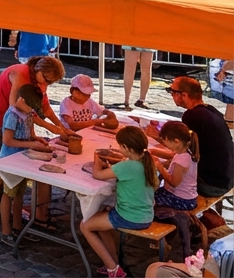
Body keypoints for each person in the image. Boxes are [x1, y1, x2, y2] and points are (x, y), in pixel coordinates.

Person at [82, 126, 158, 278]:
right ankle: (113, 262)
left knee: (85, 226)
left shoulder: (127, 166)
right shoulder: (147, 162)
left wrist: (97, 159)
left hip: (129, 216)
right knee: (100, 219)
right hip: (146, 215)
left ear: (126, 147)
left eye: (119, 146)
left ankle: (112, 268)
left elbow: (97, 174)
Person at [0, 55, 74, 165]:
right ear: (39, 70)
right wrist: (47, 126)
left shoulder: (40, 80)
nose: (46, 84)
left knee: (13, 159)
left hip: (15, 119)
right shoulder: (20, 75)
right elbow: (17, 108)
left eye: (50, 82)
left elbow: (45, 108)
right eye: (46, 80)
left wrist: (62, 128)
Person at [151, 77, 234, 198]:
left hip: (211, 184)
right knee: (169, 164)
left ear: (183, 95)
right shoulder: (210, 110)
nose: (172, 95)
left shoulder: (192, 116)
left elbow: (180, 149)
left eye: (173, 92)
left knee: (166, 167)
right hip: (227, 177)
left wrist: (156, 136)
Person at [0, 84, 57, 244]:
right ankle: (6, 231)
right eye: (29, 105)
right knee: (8, 194)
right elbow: (7, 140)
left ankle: (18, 227)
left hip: (23, 160)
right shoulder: (12, 114)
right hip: (9, 161)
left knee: (19, 195)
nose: (31, 109)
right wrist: (31, 145)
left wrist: (36, 140)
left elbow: (31, 133)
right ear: (21, 100)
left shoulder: (28, 112)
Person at [154, 122, 200, 213]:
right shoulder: (187, 151)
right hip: (187, 196)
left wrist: (160, 167)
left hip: (182, 200)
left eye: (165, 141)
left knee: (148, 199)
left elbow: (174, 183)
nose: (165, 144)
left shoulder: (182, 160)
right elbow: (172, 161)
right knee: (153, 193)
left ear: (176, 141)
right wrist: (153, 151)